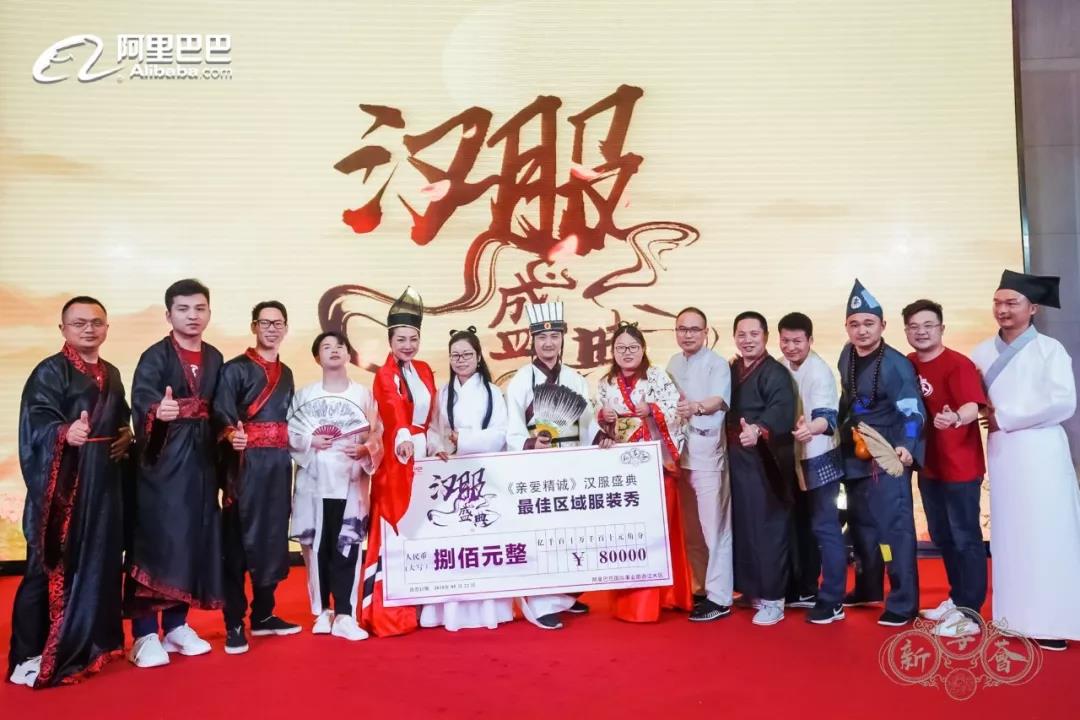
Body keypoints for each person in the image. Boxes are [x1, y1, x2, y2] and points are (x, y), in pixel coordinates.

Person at [8, 297, 133, 688]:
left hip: (103, 486)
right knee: (44, 569)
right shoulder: (49, 371)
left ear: (107, 328)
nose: (89, 329)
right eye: (79, 323)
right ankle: (26, 655)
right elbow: (35, 425)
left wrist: (127, 435)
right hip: (62, 489)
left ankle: (90, 643)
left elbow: (121, 417)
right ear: (62, 329)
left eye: (96, 322)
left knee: (99, 563)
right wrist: (64, 433)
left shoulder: (112, 373)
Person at [971, 270, 1080, 652]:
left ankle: (1052, 623)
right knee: (1009, 535)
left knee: (1048, 534)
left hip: (1042, 454)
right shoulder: (981, 352)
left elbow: (1064, 403)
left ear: (1032, 308)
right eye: (997, 302)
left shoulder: (1051, 350)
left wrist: (1006, 416)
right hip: (1003, 453)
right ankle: (1013, 619)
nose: (1002, 310)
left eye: (1011, 303)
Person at [126, 279, 224, 667]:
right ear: (169, 315)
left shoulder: (215, 357)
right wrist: (158, 412)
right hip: (162, 465)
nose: (192, 316)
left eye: (199, 308)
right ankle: (144, 633)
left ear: (209, 313)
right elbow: (141, 402)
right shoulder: (154, 356)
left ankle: (177, 625)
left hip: (201, 465)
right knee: (157, 541)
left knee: (192, 541)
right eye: (183, 309)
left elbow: (221, 410)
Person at [213, 301, 299, 654]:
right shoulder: (234, 369)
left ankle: (264, 614)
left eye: (278, 323)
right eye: (265, 323)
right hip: (245, 467)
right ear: (254, 327)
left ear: (285, 328)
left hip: (277, 468)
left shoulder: (287, 373)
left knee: (272, 540)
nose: (272, 329)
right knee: (237, 546)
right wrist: (231, 435)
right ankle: (234, 622)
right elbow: (220, 414)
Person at [591, 322, 693, 622]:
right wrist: (603, 417)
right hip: (622, 470)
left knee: (660, 531)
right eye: (620, 348)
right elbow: (596, 421)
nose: (627, 353)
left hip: (656, 465)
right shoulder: (605, 383)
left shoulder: (658, 377)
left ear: (643, 349)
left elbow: (676, 412)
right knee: (628, 534)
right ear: (612, 351)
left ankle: (665, 598)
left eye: (633, 347)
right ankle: (628, 602)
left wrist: (653, 411)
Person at [838, 279, 925, 627]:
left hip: (888, 457)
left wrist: (907, 445)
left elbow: (913, 412)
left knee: (894, 529)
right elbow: (847, 400)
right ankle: (867, 587)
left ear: (883, 325)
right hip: (855, 453)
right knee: (862, 527)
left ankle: (903, 603)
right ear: (847, 327)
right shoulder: (846, 355)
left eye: (868, 323)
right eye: (855, 324)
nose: (861, 330)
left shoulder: (896, 365)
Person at [504, 301, 594, 629]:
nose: (548, 343)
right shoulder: (521, 380)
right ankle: (541, 602)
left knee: (571, 532)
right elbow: (512, 428)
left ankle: (565, 594)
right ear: (532, 341)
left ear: (562, 339)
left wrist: (600, 436)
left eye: (554, 336)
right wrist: (530, 443)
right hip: (536, 468)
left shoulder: (574, 378)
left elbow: (587, 422)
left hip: (570, 464)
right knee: (541, 533)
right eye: (542, 338)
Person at [289, 331, 383, 642]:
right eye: (326, 347)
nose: (333, 350)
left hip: (350, 480)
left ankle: (345, 613)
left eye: (339, 346)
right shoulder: (305, 396)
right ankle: (322, 611)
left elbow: (377, 434)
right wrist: (309, 440)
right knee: (316, 547)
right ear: (317, 357)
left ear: (348, 354)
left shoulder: (363, 395)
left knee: (347, 545)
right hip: (314, 482)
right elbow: (290, 434)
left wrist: (365, 448)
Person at [901, 299, 987, 637]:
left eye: (928, 325)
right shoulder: (907, 363)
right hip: (929, 467)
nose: (921, 332)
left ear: (941, 328)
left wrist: (955, 418)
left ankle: (970, 615)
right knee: (943, 536)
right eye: (914, 326)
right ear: (906, 330)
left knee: (966, 538)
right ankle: (956, 599)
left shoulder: (958, 364)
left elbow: (972, 406)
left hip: (960, 467)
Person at [422, 326, 514, 631]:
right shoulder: (443, 393)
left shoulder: (493, 393)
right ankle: (448, 610)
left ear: (478, 357)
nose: (461, 360)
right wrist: (437, 446)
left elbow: (501, 434)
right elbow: (433, 430)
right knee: (452, 541)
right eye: (455, 355)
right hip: (451, 476)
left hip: (484, 475)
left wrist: (465, 440)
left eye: (467, 355)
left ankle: (488, 609)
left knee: (481, 540)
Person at [360, 287, 433, 637]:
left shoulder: (425, 370)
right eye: (401, 339)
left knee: (424, 526)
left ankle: (423, 600)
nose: (408, 345)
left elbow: (433, 415)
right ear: (390, 340)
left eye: (413, 339)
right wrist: (404, 437)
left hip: (425, 456)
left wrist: (438, 442)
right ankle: (389, 612)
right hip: (397, 459)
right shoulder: (384, 374)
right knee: (395, 524)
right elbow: (391, 406)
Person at [726, 311, 798, 626]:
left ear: (765, 337)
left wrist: (758, 429)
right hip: (736, 458)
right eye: (741, 334)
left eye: (754, 334)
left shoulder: (775, 373)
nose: (747, 340)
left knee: (768, 527)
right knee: (743, 524)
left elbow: (781, 410)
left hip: (765, 460)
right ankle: (752, 589)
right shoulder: (732, 370)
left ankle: (773, 599)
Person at [777, 312, 846, 625]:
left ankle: (833, 600)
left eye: (797, 341)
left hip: (820, 457)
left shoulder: (819, 371)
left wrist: (811, 429)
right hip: (792, 457)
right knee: (800, 526)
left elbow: (827, 417)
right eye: (786, 341)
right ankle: (805, 588)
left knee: (825, 527)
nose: (791, 347)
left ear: (810, 340)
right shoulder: (780, 365)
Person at [665, 307, 733, 622]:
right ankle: (701, 587)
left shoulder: (717, 364)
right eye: (682, 329)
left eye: (694, 329)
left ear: (706, 332)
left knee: (714, 528)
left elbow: (719, 400)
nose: (688, 334)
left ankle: (720, 597)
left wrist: (695, 407)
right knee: (692, 530)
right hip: (681, 456)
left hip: (708, 455)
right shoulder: (672, 363)